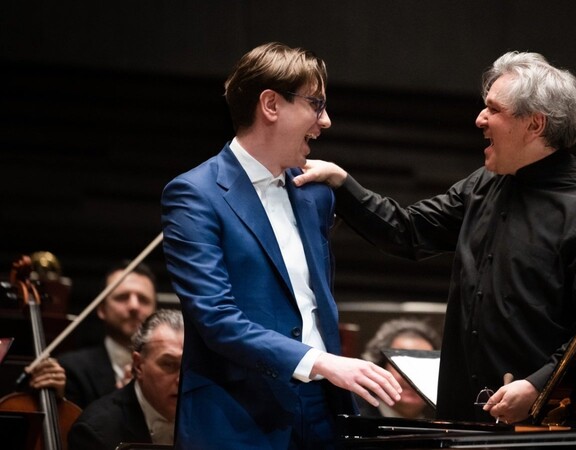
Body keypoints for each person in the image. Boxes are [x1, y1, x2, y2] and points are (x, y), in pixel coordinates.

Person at [294, 51, 576, 425]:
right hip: (462, 419)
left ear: (535, 124)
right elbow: (409, 232)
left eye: (494, 109)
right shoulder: (486, 183)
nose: (480, 119)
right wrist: (341, 183)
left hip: (539, 426)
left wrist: (540, 385)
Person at [160, 42, 401, 450]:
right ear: (270, 104)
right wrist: (319, 361)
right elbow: (216, 317)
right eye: (315, 104)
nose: (325, 121)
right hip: (240, 414)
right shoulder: (194, 194)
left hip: (325, 406)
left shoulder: (316, 194)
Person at [68, 308, 184, 449]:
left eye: (190, 367)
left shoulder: (212, 418)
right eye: (168, 364)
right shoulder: (94, 431)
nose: (181, 380)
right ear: (138, 365)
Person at [58, 261, 158, 408]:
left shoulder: (172, 371)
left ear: (155, 312)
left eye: (143, 299)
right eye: (122, 297)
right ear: (102, 309)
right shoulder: (71, 370)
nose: (134, 306)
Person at [359, 318, 441, 420]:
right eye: (401, 364)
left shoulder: (445, 428)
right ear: (379, 366)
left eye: (424, 366)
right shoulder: (354, 417)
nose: (412, 376)